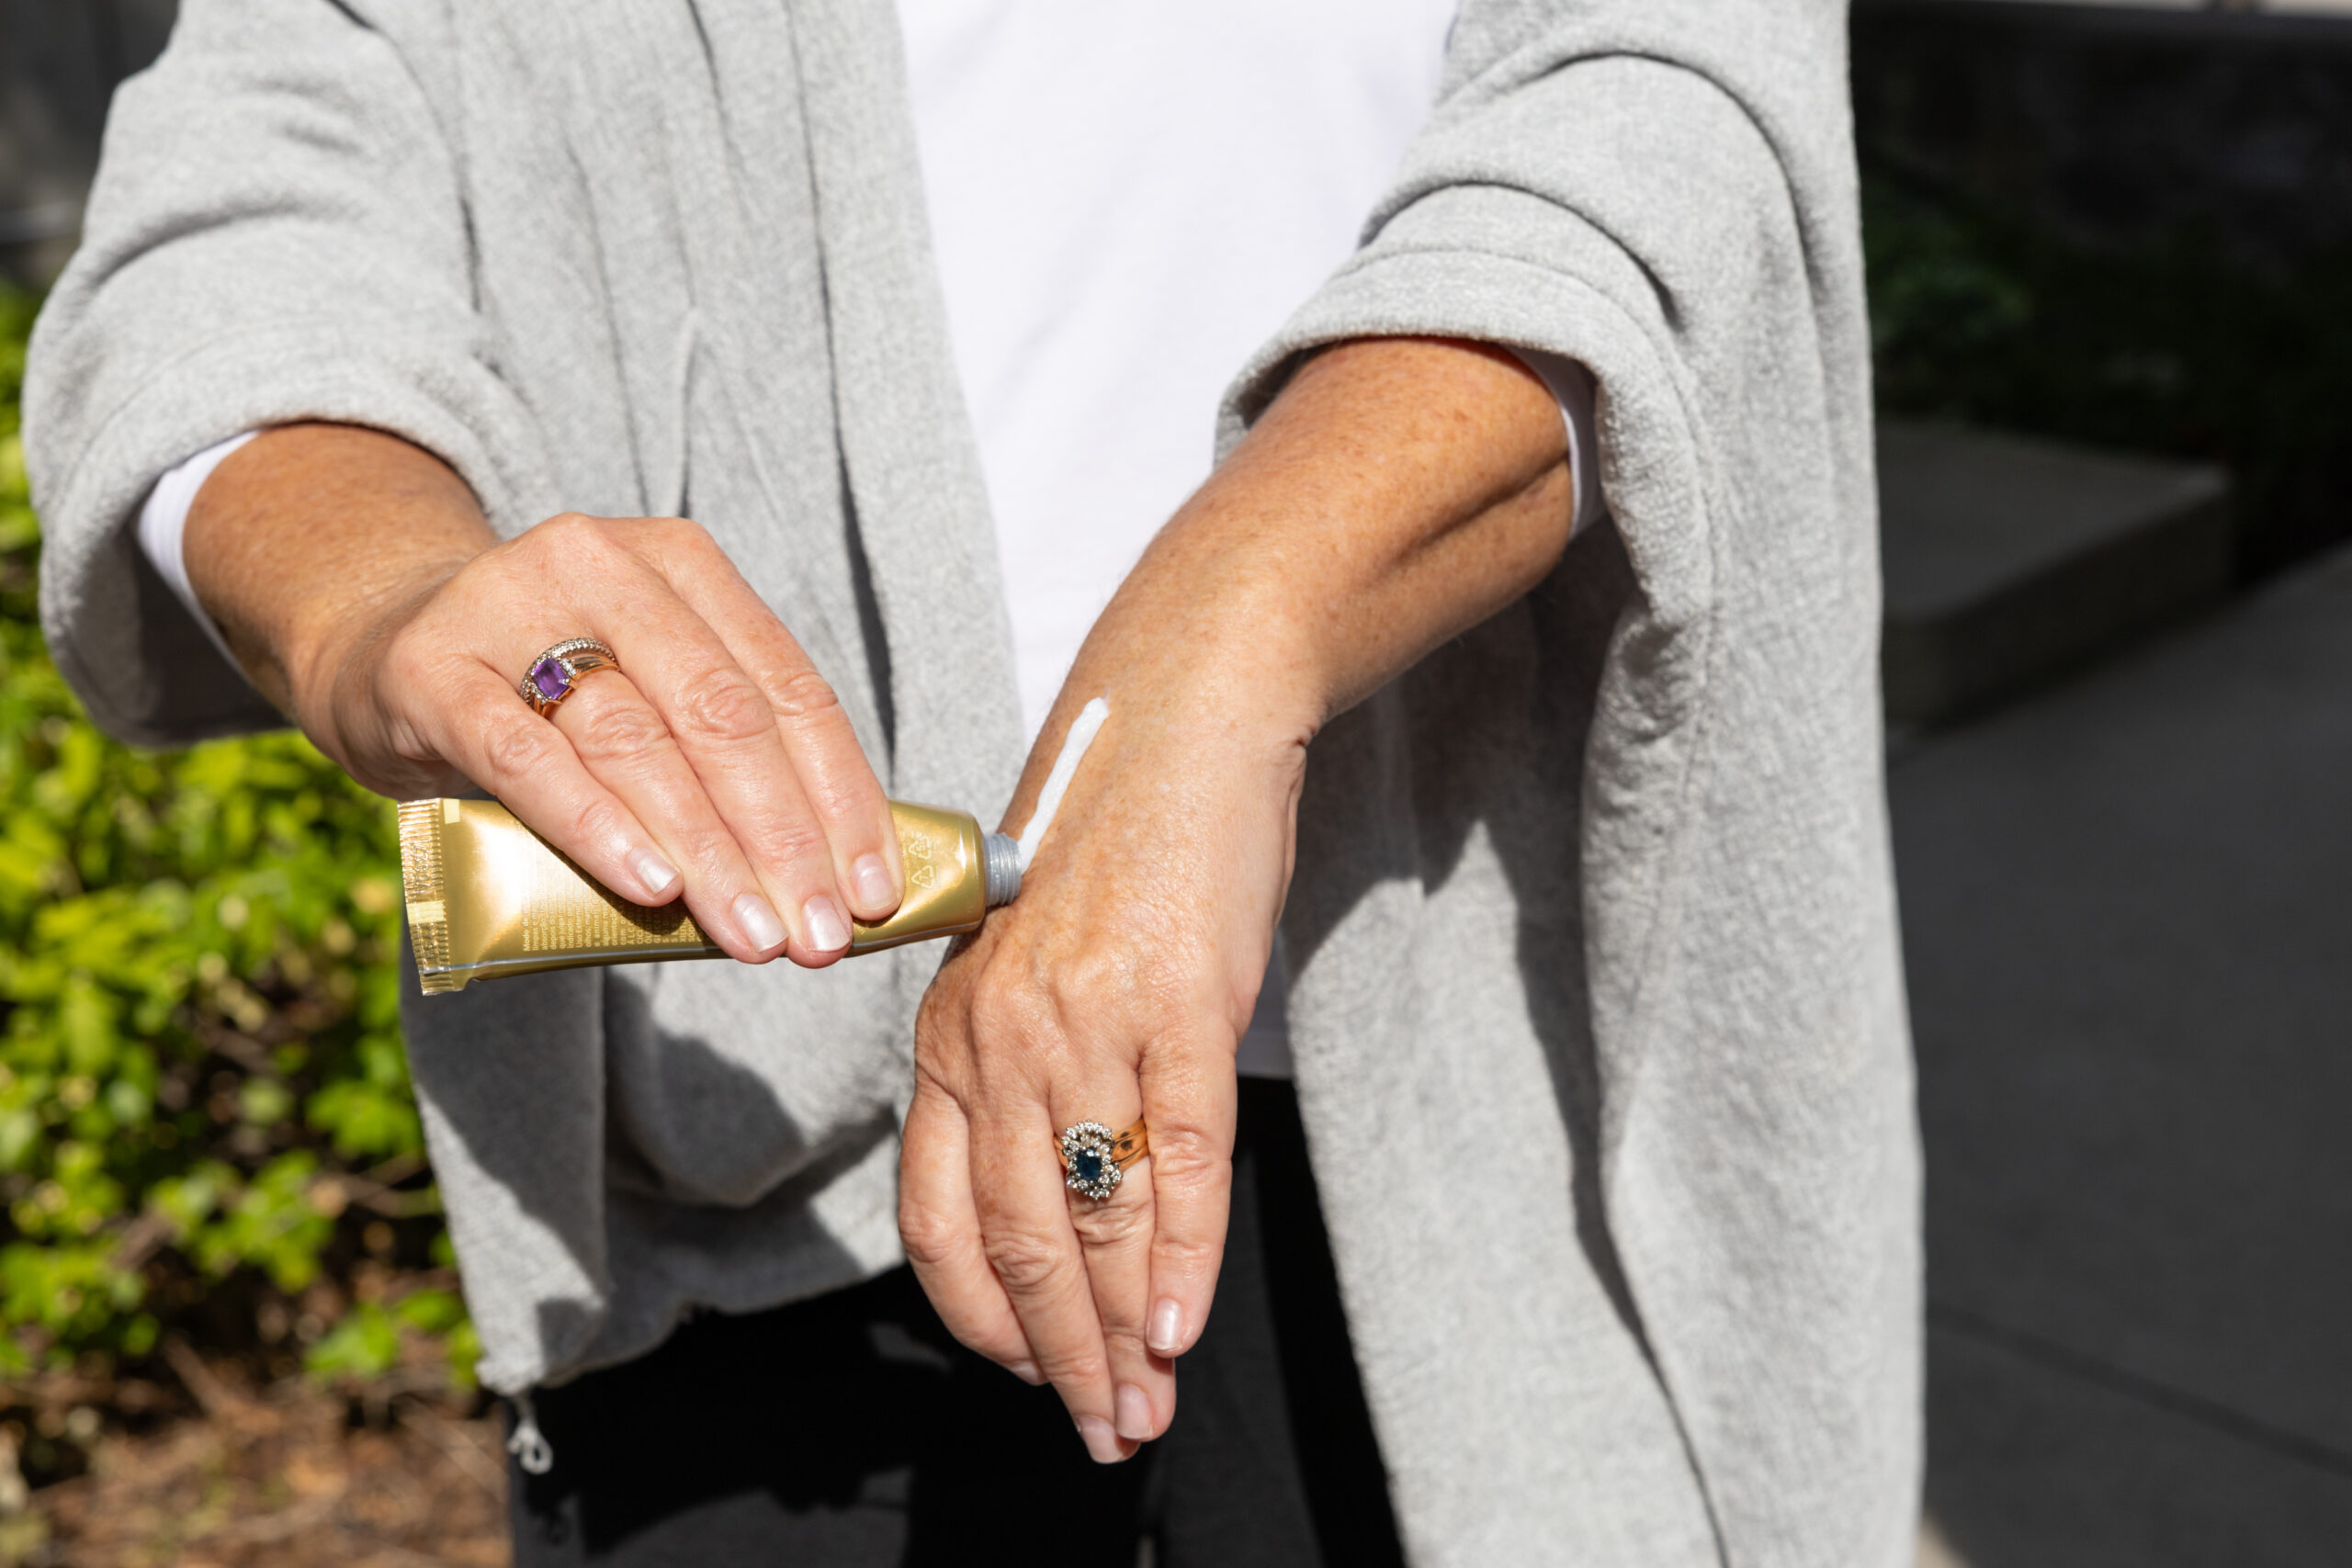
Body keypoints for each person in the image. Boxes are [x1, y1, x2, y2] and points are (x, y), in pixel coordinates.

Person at [26, 0, 1922, 1563]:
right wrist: (384, 593)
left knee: (1145, 1311)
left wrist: (1224, 628)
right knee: (1077, 1317)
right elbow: (250, 196)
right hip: (768, 1168)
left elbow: (1661, 118)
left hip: (1466, 1119)